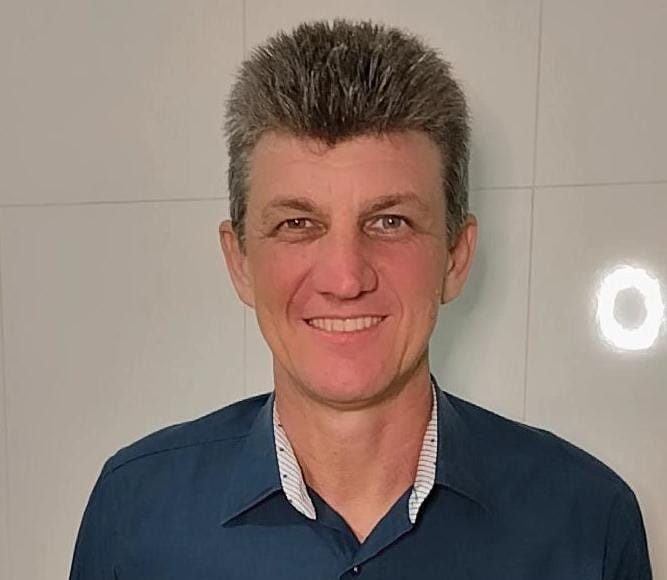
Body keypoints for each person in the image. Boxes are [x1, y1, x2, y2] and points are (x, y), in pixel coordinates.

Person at [70, 19, 652, 579]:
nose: (345, 278)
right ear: (239, 261)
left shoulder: (586, 519)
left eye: (390, 222)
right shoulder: (135, 512)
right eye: (298, 223)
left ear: (455, 256)